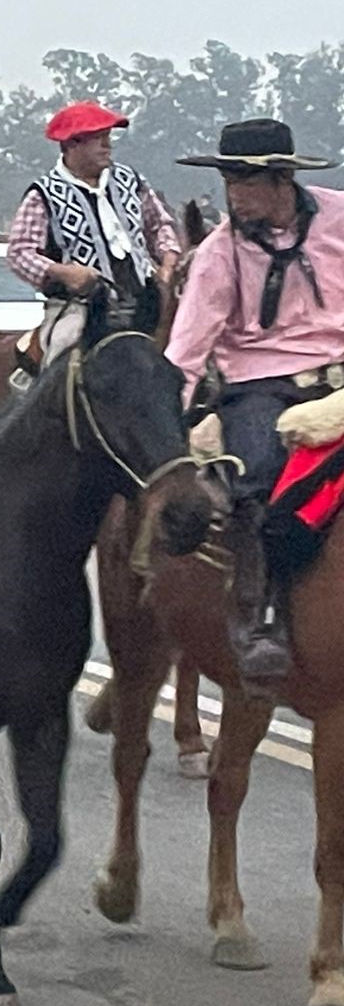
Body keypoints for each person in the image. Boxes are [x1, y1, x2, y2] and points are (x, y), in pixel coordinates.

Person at [165, 118, 344, 693]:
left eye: (246, 180)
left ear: (283, 178)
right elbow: (187, 350)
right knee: (258, 474)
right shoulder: (219, 252)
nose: (234, 194)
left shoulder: (340, 218)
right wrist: (167, 425)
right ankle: (260, 617)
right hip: (261, 385)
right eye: (228, 180)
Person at [6, 102, 180, 363]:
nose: (107, 145)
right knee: (62, 348)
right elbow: (19, 252)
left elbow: (160, 225)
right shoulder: (43, 194)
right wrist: (63, 272)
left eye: (108, 137)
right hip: (81, 308)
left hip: (145, 300)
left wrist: (167, 262)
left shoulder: (131, 180)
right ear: (71, 144)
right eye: (98, 138)